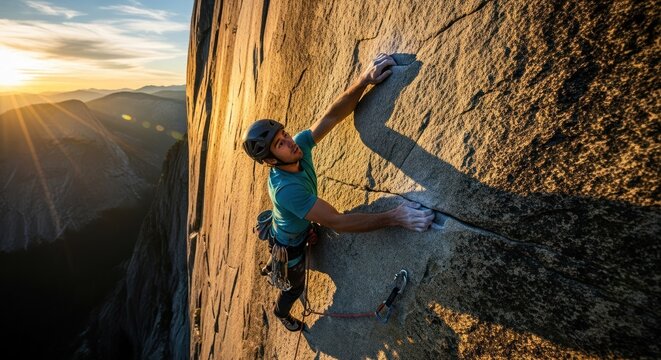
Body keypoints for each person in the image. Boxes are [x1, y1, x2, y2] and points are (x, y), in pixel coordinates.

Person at [242, 53, 434, 332]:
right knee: (294, 287)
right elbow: (339, 222)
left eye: (284, 135)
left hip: (295, 221)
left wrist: (364, 81)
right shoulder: (287, 191)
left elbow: (331, 117)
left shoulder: (296, 149)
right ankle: (280, 313)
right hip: (289, 244)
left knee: (310, 229)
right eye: (280, 144)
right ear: (271, 161)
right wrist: (396, 216)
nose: (289, 142)